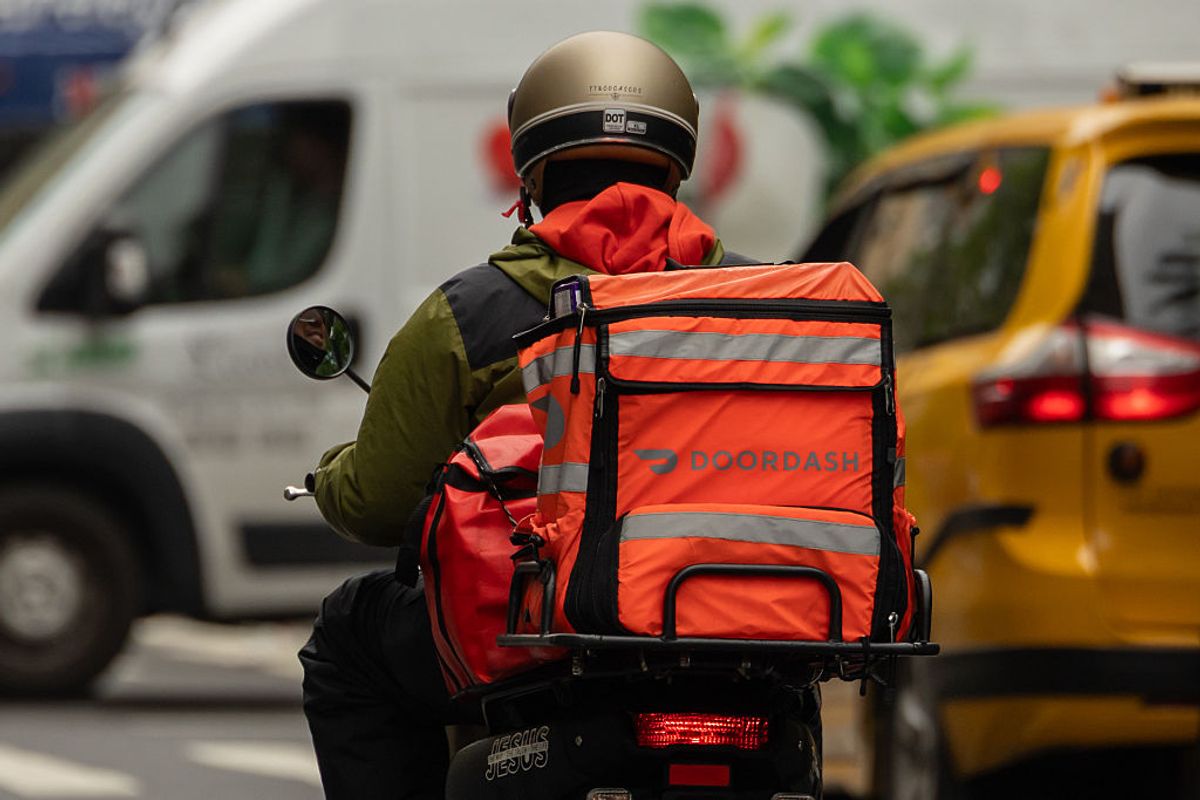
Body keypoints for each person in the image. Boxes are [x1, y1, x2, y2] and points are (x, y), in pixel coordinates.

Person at [299, 31, 765, 799]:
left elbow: (380, 502)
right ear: (676, 165)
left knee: (349, 636)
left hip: (552, 637)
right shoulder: (772, 306)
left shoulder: (472, 314)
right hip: (743, 629)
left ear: (536, 171)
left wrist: (327, 481)